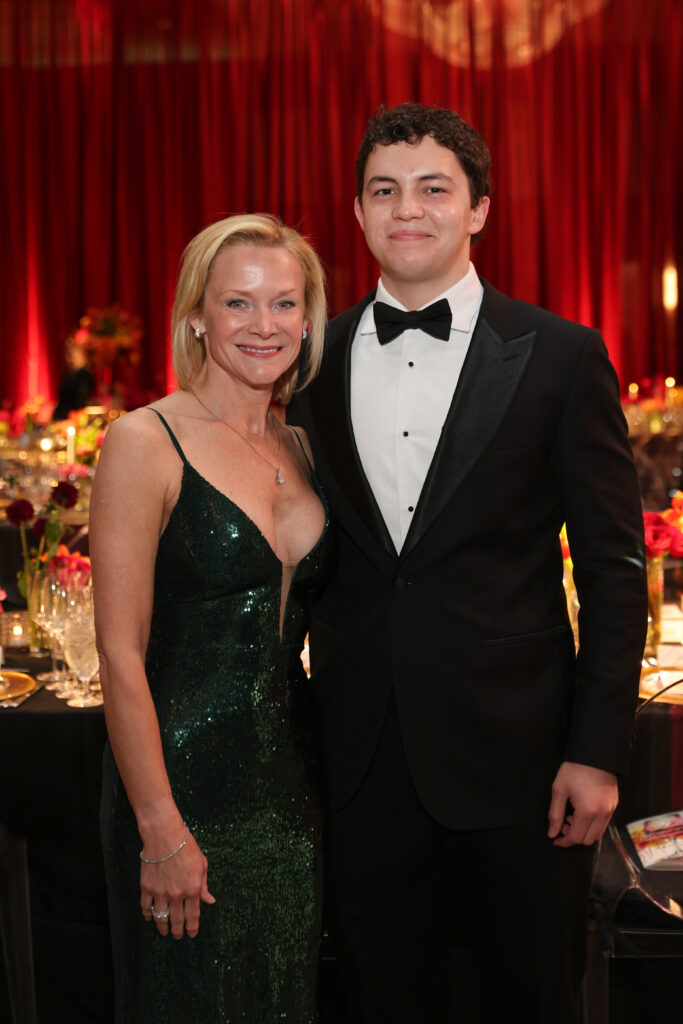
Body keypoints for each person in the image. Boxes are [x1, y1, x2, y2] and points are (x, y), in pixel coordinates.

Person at [289, 103, 647, 1023]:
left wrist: (597, 753)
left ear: (479, 208)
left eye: (433, 188)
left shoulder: (562, 356)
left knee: (530, 997)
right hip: (358, 756)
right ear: (360, 213)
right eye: (384, 190)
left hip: (521, 765)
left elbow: (612, 571)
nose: (407, 209)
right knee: (376, 997)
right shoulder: (304, 362)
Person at [91, 213, 335, 1023]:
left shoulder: (300, 447)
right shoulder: (143, 441)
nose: (263, 327)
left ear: (308, 319)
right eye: (238, 304)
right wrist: (159, 826)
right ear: (197, 315)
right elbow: (119, 656)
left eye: (284, 305)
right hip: (181, 781)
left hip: (292, 782)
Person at [52, 341, 95, 420]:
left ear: (81, 356)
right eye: (67, 355)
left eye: (71, 356)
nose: (68, 359)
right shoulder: (68, 375)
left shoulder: (85, 376)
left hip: (74, 417)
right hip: (63, 415)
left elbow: (80, 399)